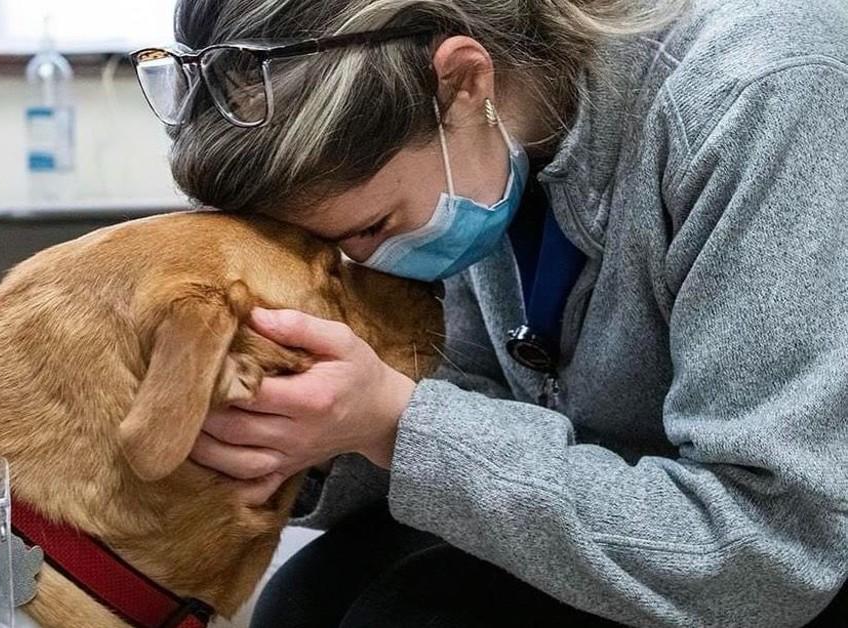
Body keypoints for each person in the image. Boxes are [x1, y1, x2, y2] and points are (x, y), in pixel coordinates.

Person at [129, 0, 848, 625]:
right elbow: (479, 392)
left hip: (775, 563)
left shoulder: (761, 92)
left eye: (373, 227)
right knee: (307, 599)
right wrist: (311, 439)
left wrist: (394, 424)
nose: (374, 269)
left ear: (464, 82)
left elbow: (775, 550)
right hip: (641, 516)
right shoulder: (491, 141)